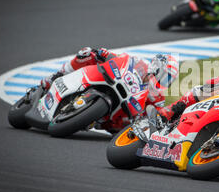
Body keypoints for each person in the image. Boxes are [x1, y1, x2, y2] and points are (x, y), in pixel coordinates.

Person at [40, 47, 179, 132]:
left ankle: (91, 117)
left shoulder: (159, 96)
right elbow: (122, 59)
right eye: (165, 75)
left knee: (128, 127)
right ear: (157, 67)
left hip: (120, 117)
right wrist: (105, 54)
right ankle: (57, 76)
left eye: (169, 79)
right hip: (112, 81)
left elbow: (155, 114)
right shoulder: (140, 62)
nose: (165, 81)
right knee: (87, 53)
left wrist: (149, 118)